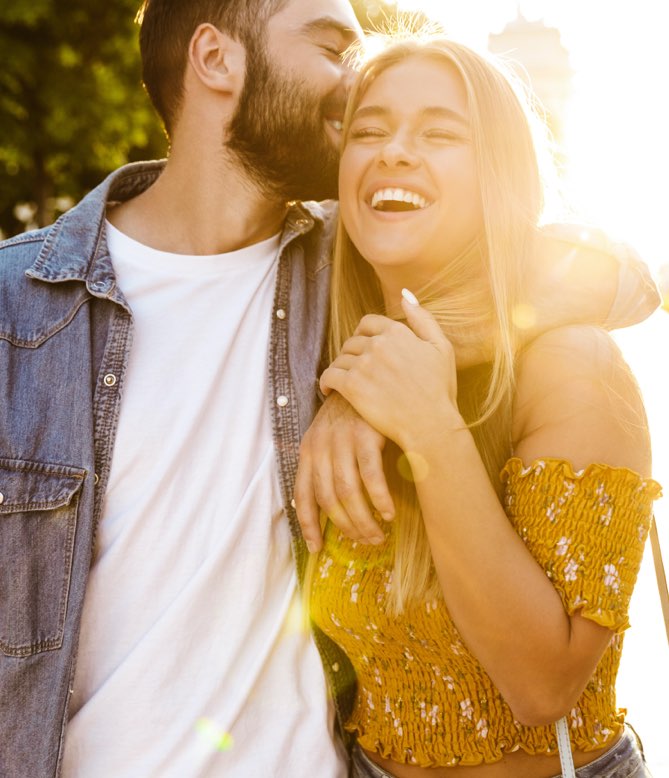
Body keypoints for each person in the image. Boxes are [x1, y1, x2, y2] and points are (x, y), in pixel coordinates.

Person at [0, 2, 659, 777]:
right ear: (216, 59)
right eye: (327, 46)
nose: (354, 81)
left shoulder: (339, 272)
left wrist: (373, 383)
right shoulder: (20, 305)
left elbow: (618, 276)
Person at [303, 32, 661, 778]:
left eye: (440, 133)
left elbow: (543, 686)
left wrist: (427, 425)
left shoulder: (569, 366)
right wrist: (365, 387)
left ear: (498, 173)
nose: (394, 150)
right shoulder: (314, 334)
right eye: (368, 130)